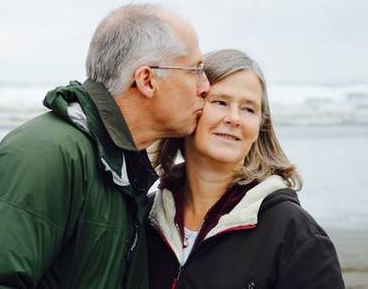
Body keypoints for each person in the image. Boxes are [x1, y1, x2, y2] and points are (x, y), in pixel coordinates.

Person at [0, 4, 210, 288]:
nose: (205, 86)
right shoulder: (46, 154)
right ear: (146, 80)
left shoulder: (122, 168)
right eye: (194, 70)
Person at [146, 49, 344, 289]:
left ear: (260, 126)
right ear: (191, 107)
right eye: (220, 102)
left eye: (248, 108)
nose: (234, 118)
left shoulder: (296, 234)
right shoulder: (147, 217)